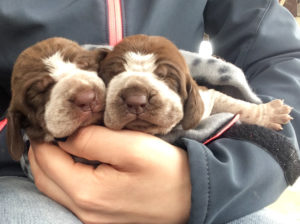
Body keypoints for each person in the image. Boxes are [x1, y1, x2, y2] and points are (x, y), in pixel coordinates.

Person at [0, 0, 299, 223]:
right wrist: (14, 136)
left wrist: (214, 177)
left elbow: (279, 56)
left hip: (201, 158)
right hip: (26, 176)